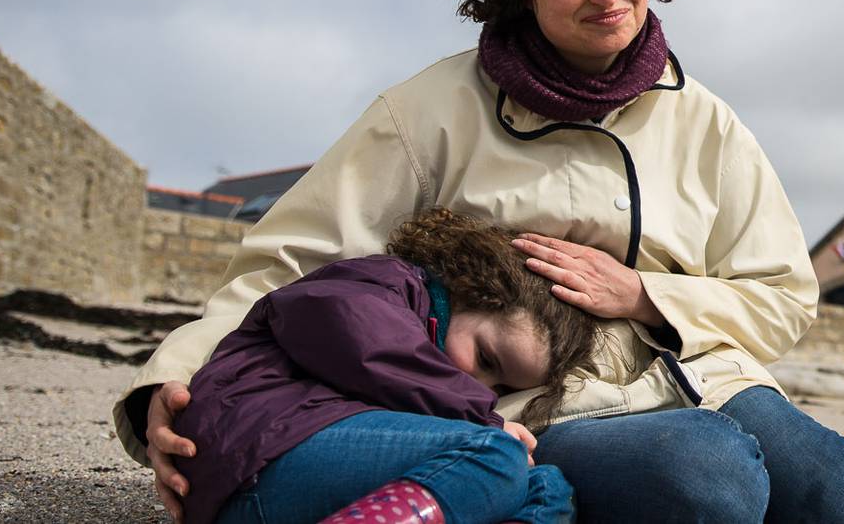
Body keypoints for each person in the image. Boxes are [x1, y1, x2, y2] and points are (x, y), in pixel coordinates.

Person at [116, 0, 844, 521]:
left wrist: (646, 296)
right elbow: (290, 266)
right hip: (531, 406)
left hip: (707, 377)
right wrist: (173, 388)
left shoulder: (707, 119)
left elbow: (785, 296)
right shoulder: (429, 110)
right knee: (709, 478)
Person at [172, 208, 594, 524]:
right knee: (495, 454)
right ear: (470, 290)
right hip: (256, 458)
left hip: (317, 473)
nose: (480, 384)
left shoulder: (432, 383)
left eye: (498, 388)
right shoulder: (385, 283)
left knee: (546, 486)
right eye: (485, 359)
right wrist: (479, 418)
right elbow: (358, 334)